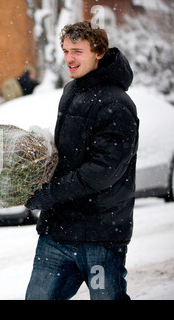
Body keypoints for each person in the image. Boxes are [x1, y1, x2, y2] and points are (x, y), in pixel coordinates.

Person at [25, 21, 139, 300]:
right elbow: (67, 156)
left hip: (100, 236)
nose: (69, 59)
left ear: (99, 52)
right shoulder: (72, 91)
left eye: (77, 51)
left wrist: (50, 194)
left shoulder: (118, 104)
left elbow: (102, 171)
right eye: (65, 51)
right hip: (58, 233)